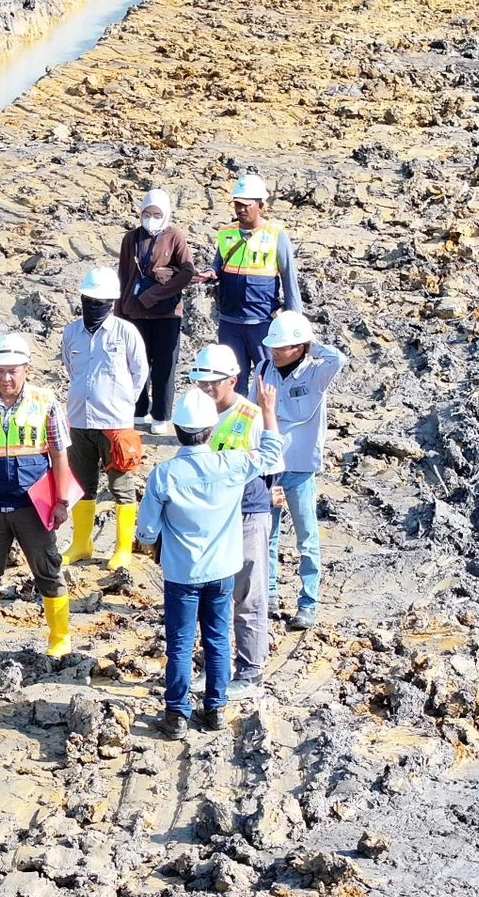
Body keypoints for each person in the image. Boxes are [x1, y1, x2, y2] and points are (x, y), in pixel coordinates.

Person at [134, 387, 285, 739]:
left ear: (177, 430)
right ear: (211, 430)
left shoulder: (164, 475)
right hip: (222, 570)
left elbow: (146, 531)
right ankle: (215, 709)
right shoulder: (232, 464)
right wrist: (267, 409)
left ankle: (176, 716)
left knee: (181, 643)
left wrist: (156, 538)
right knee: (218, 639)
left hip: (182, 574)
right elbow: (272, 451)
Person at [0, 332, 77, 662]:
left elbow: (59, 454)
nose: (5, 378)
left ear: (27, 370)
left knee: (48, 570)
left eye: (12, 371)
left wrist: (62, 501)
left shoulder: (45, 401)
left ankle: (60, 636)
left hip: (32, 506)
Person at [190, 345, 283, 699]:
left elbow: (273, 466)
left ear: (233, 380)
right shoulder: (195, 411)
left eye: (214, 383)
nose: (207, 389)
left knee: (248, 594)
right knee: (212, 595)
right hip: (210, 515)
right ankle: (216, 665)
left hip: (246, 513)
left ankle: (251, 670)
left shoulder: (252, 415)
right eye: (201, 382)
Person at [254, 310, 347, 631]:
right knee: (268, 536)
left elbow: (339, 359)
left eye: (282, 347)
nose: (275, 352)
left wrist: (311, 345)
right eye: (273, 346)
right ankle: (271, 595)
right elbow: (256, 418)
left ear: (300, 347)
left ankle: (308, 603)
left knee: (306, 539)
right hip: (271, 472)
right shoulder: (264, 370)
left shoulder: (317, 374)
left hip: (301, 473)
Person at [61, 266, 149, 573]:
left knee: (122, 486)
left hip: (115, 423)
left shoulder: (126, 333)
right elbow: (70, 369)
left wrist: (122, 403)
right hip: (79, 420)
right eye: (89, 299)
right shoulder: (71, 332)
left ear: (111, 302)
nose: (93, 305)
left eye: (100, 300)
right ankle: (82, 543)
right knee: (82, 485)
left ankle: (123, 548)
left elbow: (140, 373)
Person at [194, 174, 302, 393]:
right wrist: (210, 272)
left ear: (260, 206)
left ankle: (268, 423)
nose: (240, 209)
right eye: (237, 204)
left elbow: (290, 278)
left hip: (261, 321)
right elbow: (218, 263)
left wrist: (293, 316)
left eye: (246, 205)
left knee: (268, 379)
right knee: (233, 380)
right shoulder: (226, 234)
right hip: (230, 321)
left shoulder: (275, 235)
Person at [119, 188, 197, 435]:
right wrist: (119, 311)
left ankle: (161, 415)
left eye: (156, 214)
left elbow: (187, 272)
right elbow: (123, 275)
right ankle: (139, 410)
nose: (151, 218)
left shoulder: (175, 237)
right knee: (136, 362)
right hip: (135, 311)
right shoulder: (131, 238)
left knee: (164, 366)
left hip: (166, 313)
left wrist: (156, 292)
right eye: (147, 213)